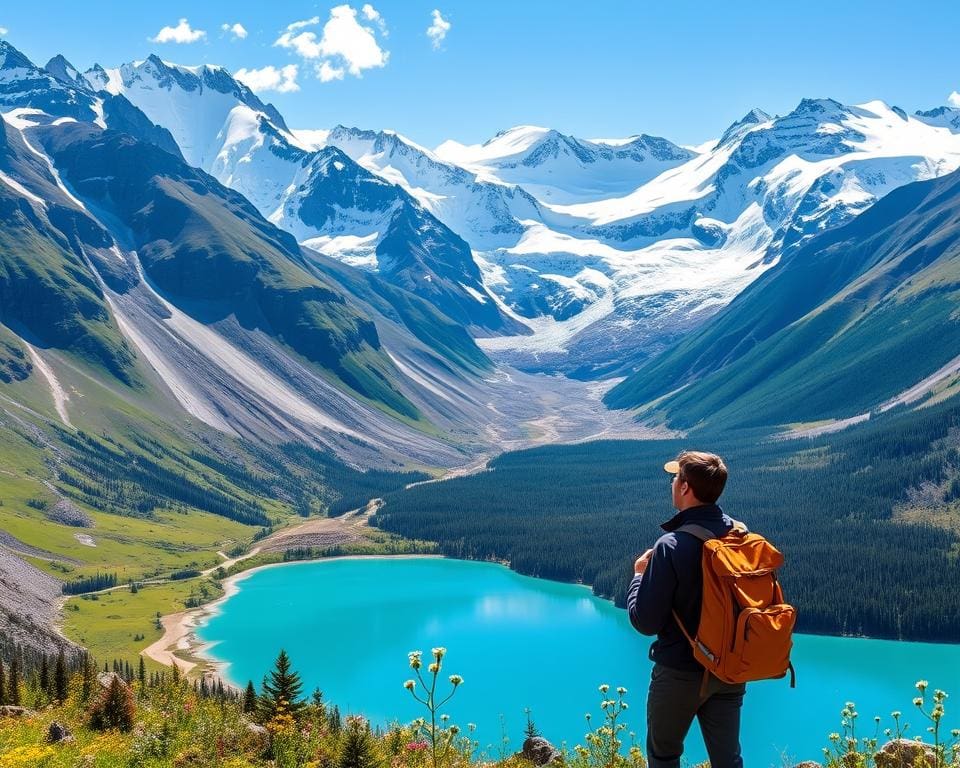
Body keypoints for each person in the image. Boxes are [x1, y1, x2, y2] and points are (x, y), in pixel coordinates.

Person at [627, 450, 745, 768]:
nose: (672, 484)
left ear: (685, 488)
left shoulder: (672, 545)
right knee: (728, 760)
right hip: (729, 670)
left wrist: (638, 576)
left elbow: (645, 621)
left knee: (664, 756)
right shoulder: (740, 536)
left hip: (680, 672)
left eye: (675, 478)